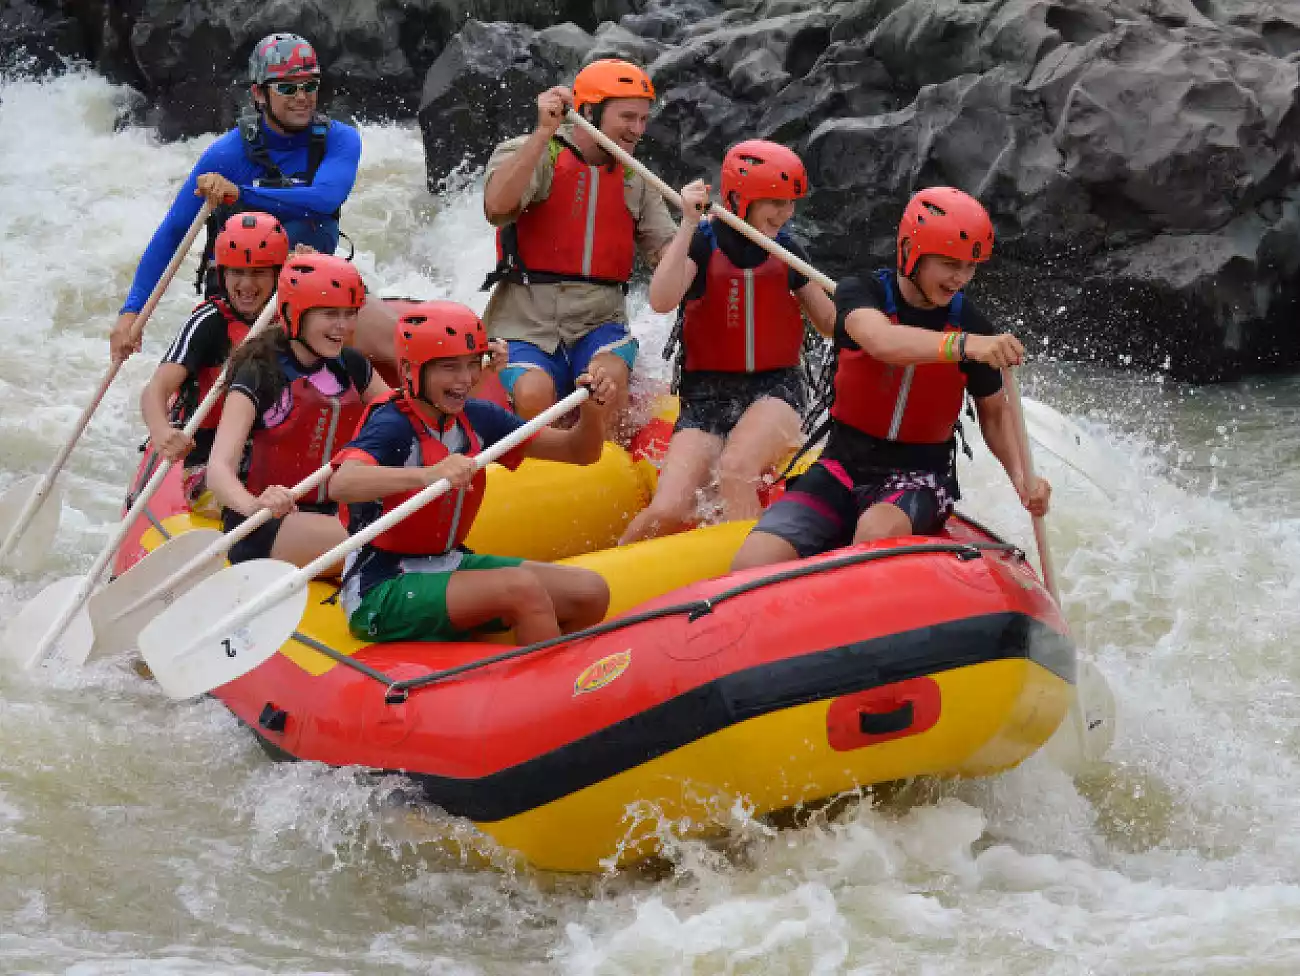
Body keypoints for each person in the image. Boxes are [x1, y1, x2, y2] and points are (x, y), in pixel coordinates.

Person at [731, 187, 1052, 572]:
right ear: (911, 251)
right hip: (840, 467)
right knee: (752, 561)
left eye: (970, 267)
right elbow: (881, 341)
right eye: (950, 263)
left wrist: (1021, 478)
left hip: (920, 478)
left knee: (875, 531)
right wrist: (965, 345)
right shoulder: (860, 292)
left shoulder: (971, 324)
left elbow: (995, 413)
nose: (960, 278)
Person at [328, 302, 613, 646]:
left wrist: (592, 413)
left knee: (590, 593)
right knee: (522, 589)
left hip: (446, 562)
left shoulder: (478, 417)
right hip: (381, 586)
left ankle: (532, 664)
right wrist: (428, 475)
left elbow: (578, 452)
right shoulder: (392, 424)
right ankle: (547, 672)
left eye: (472, 364)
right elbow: (342, 483)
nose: (465, 379)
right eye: (450, 367)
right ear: (410, 370)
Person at [108, 33, 396, 366]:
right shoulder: (226, 155)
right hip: (241, 300)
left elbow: (324, 199)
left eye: (310, 85)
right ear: (259, 94)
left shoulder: (340, 139)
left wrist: (240, 194)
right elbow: (174, 232)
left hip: (314, 292)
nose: (302, 97)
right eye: (287, 88)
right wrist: (131, 313)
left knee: (397, 343)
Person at [619, 141, 836, 544]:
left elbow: (829, 324)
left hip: (776, 389)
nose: (786, 213)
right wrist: (686, 224)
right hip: (706, 396)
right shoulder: (702, 243)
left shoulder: (787, 250)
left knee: (736, 469)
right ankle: (613, 573)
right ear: (739, 199)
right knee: (667, 510)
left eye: (791, 203)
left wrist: (865, 310)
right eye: (775, 202)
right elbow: (662, 299)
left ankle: (752, 572)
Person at [480, 58, 678, 430]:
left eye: (643, 119)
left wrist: (697, 235)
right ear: (588, 111)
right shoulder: (534, 151)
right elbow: (497, 207)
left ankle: (606, 453)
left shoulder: (636, 176)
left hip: (600, 320)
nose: (637, 130)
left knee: (608, 382)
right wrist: (543, 133)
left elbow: (665, 253)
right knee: (534, 394)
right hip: (525, 320)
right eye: (627, 117)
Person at [207, 253, 388, 570]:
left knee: (402, 533)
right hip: (266, 523)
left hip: (332, 511)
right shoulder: (259, 371)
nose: (343, 326)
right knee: (382, 543)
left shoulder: (351, 366)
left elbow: (403, 415)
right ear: (294, 314)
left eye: (349, 314)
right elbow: (218, 470)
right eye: (330, 314)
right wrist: (255, 506)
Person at [138, 211, 289, 518]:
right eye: (237, 272)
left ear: (277, 275)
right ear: (222, 275)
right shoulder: (209, 322)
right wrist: (161, 430)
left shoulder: (292, 317)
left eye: (259, 273)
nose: (246, 284)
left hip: (274, 453)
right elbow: (156, 388)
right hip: (209, 459)